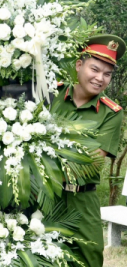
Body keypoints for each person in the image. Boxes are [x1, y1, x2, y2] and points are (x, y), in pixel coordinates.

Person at [51, 34, 125, 267]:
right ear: (79, 65)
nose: (100, 78)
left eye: (107, 74)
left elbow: (90, 164)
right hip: (43, 198)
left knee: (89, 260)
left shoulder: (111, 112)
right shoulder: (51, 95)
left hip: (82, 200)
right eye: (95, 69)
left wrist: (46, 148)